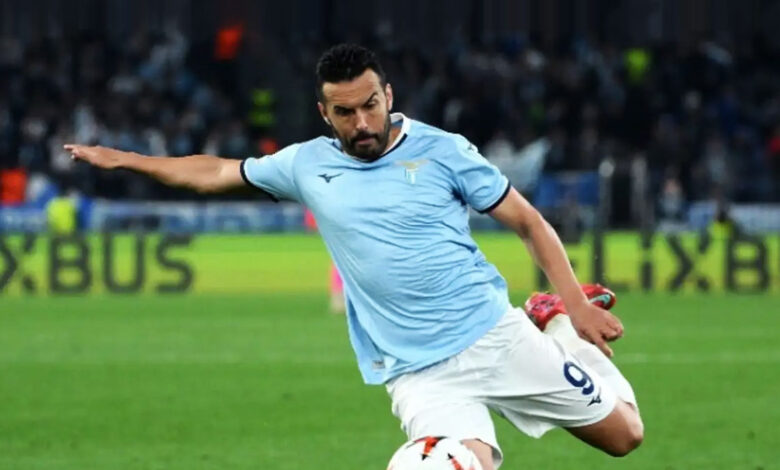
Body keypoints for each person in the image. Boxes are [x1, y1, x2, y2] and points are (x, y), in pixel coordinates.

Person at [65, 44, 643, 469]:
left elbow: (528, 222)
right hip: (417, 372)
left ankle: (553, 322)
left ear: (388, 96)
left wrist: (575, 306)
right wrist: (128, 160)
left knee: (625, 436)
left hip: (494, 336)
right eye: (345, 113)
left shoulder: (443, 152)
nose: (362, 123)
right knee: (459, 464)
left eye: (370, 105)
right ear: (325, 114)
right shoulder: (306, 164)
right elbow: (216, 172)